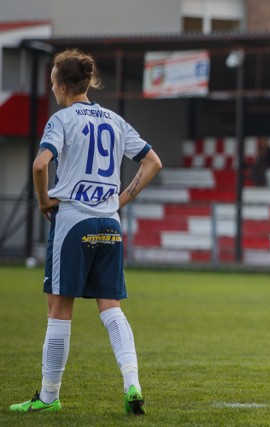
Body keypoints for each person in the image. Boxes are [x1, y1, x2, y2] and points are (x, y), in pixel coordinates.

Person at [9, 49, 162, 415]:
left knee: (59, 309)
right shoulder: (114, 120)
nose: (52, 90)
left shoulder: (62, 120)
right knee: (111, 307)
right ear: (88, 82)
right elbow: (152, 161)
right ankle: (132, 383)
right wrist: (120, 200)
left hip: (73, 220)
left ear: (62, 86)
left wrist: (45, 201)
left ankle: (49, 396)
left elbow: (40, 163)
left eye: (52, 84)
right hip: (109, 223)